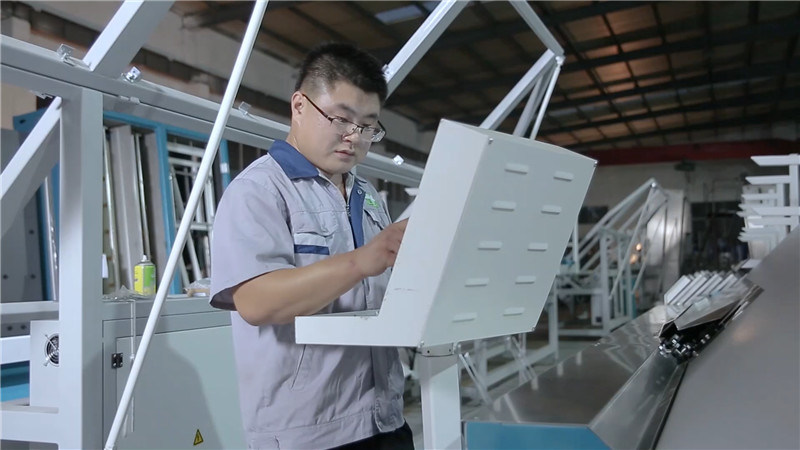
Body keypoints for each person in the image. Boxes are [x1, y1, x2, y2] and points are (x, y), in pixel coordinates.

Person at [210, 42, 413, 450]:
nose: (354, 137)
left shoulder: (368, 196)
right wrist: (362, 261)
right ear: (300, 106)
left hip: (384, 418)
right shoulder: (260, 191)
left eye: (368, 127)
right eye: (341, 119)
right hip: (308, 433)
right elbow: (256, 301)